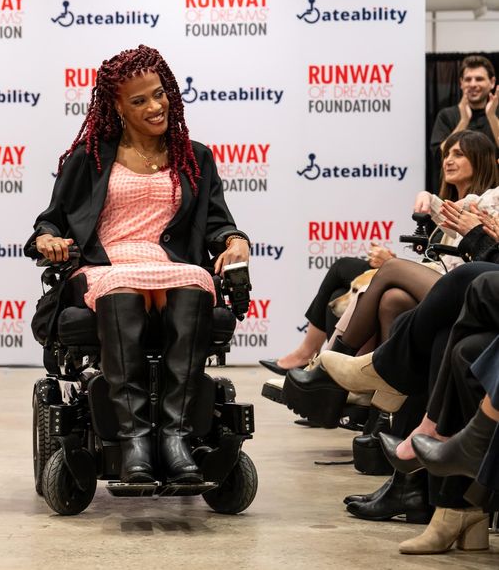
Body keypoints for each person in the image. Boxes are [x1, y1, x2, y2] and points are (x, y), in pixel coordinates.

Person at [26, 45, 250, 485]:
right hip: (107, 265)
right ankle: (135, 441)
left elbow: (219, 224)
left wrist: (235, 240)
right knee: (123, 289)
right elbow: (51, 221)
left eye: (159, 94)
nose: (155, 106)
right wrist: (48, 239)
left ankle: (176, 437)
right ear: (117, 107)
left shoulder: (195, 157)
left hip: (171, 267)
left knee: (195, 280)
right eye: (140, 100)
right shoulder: (89, 158)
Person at [264, 128, 499, 374]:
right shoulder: (465, 204)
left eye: (458, 154)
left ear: (481, 160)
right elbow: (440, 248)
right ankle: (349, 378)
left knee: (360, 270)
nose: (448, 161)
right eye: (446, 155)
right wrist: (427, 199)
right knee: (360, 294)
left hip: (463, 286)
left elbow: (462, 262)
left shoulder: (483, 206)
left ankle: (321, 367)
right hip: (448, 280)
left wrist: (397, 262)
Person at [429, 56, 499, 187]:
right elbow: (440, 155)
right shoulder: (446, 116)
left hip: (494, 192)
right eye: (468, 79)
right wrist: (464, 121)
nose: (473, 84)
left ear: (492, 82)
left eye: (479, 79)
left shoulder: (495, 115)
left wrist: (491, 117)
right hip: (455, 193)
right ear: (461, 83)